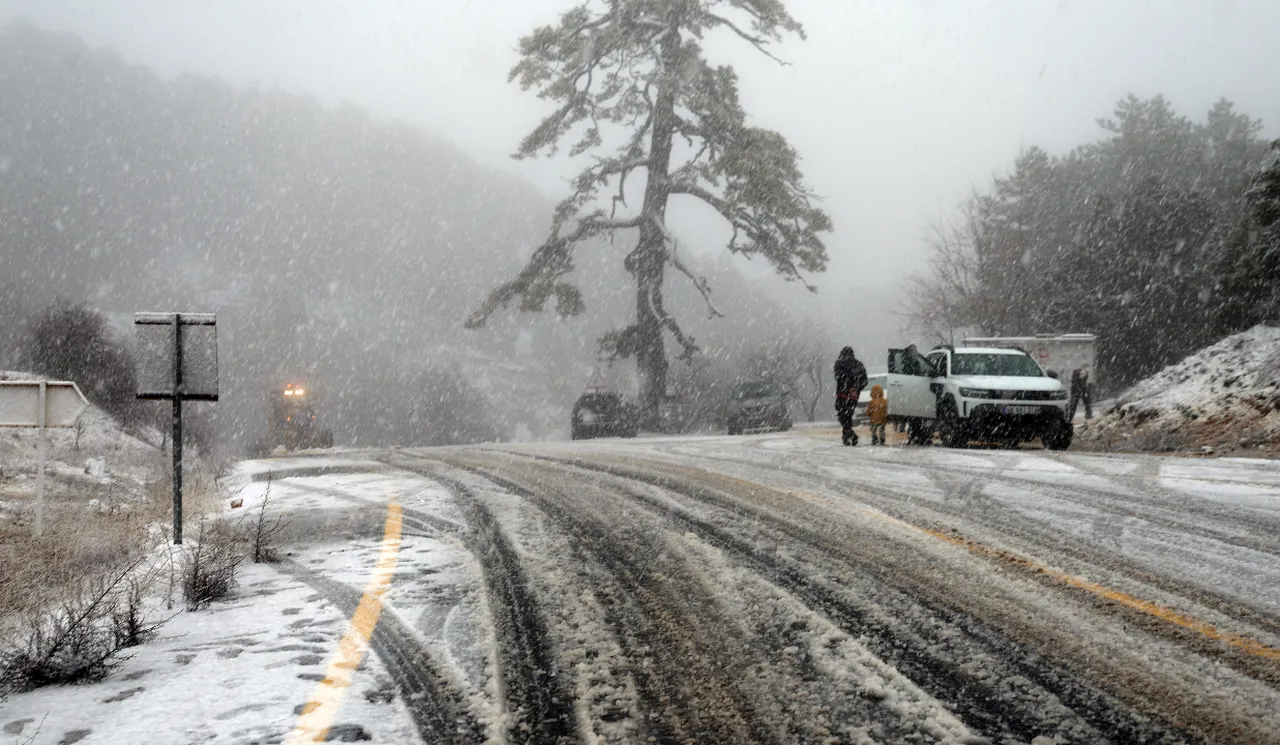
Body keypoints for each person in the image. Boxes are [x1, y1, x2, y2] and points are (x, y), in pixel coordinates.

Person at [834, 346, 868, 446]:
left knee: (842, 416)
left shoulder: (839, 364)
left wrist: (847, 386)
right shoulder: (859, 364)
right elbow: (864, 381)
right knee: (848, 415)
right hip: (853, 397)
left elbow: (838, 377)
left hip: (842, 395)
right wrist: (856, 388)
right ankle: (847, 436)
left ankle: (849, 434)